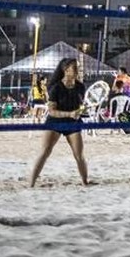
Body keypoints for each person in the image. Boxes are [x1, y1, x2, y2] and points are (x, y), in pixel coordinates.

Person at [29, 57, 90, 187]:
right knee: (45, 151)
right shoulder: (56, 88)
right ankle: (31, 183)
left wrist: (81, 111)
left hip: (72, 123)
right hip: (55, 122)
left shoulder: (80, 87)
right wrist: (70, 113)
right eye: (75, 68)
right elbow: (52, 111)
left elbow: (79, 106)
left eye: (78, 67)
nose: (78, 70)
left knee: (79, 155)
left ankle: (85, 182)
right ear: (66, 70)